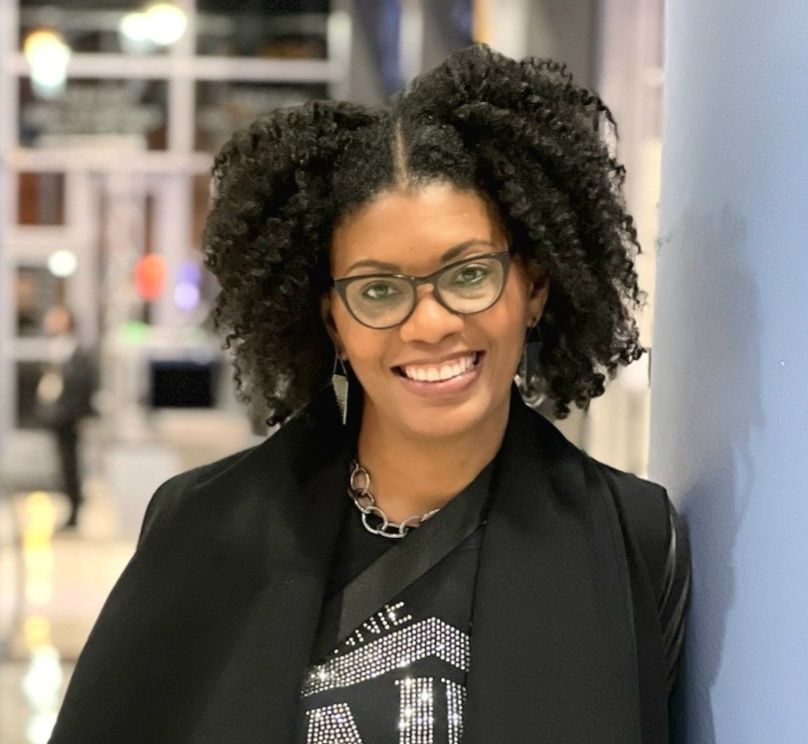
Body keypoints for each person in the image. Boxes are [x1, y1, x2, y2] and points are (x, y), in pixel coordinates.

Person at [49, 44, 690, 743]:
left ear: (532, 287)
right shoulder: (206, 531)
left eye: (470, 274)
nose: (432, 323)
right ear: (332, 319)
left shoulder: (633, 539)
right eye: (379, 290)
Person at [36, 305, 97, 530]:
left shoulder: (77, 351)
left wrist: (77, 414)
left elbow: (82, 385)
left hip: (70, 417)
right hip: (58, 415)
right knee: (63, 462)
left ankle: (75, 505)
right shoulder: (56, 349)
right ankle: (70, 502)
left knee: (71, 463)